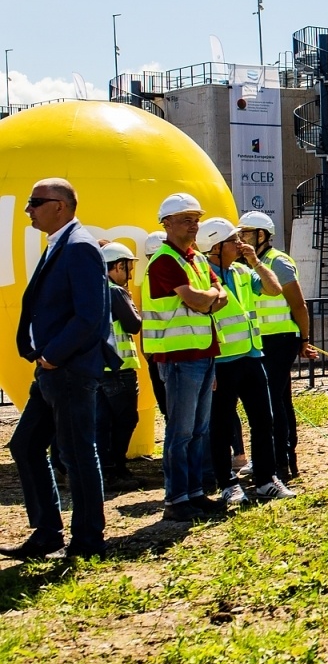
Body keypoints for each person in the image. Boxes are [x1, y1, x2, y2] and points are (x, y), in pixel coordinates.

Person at [2, 179, 118, 560]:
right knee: (26, 445)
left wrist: (52, 354)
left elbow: (90, 316)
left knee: (77, 452)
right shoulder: (61, 244)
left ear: (61, 207)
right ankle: (48, 533)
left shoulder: (80, 247)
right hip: (53, 370)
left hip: (68, 369)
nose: (28, 209)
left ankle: (87, 540)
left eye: (36, 202)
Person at [144, 192, 227, 521]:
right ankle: (177, 499)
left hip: (202, 353)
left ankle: (193, 493)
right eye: (186, 220)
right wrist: (209, 297)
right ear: (166, 224)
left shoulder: (197, 259)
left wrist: (207, 297)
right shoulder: (165, 260)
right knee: (181, 431)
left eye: (196, 219)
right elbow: (201, 299)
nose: (194, 225)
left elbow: (220, 296)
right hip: (178, 357)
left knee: (197, 429)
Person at [201, 217, 293, 506]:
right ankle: (227, 484)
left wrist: (256, 262)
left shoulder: (242, 271)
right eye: (233, 240)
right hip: (221, 361)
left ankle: (266, 480)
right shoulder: (202, 276)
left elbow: (274, 289)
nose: (240, 244)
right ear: (215, 247)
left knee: (263, 420)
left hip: (252, 357)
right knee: (221, 426)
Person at [237, 212, 311, 480]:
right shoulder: (246, 264)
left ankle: (280, 459)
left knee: (272, 402)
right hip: (260, 340)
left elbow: (298, 304)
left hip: (280, 339)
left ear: (261, 235)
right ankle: (280, 456)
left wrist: (304, 339)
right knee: (278, 400)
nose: (241, 239)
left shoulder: (278, 262)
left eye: (246, 233)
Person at [97, 242, 142, 494]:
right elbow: (134, 325)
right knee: (125, 420)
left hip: (98, 370)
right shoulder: (115, 291)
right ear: (117, 266)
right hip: (120, 369)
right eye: (127, 266)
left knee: (102, 423)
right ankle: (117, 471)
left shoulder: (93, 289)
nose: (129, 273)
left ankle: (105, 471)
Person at [140, 230, 169, 419]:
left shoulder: (147, 278)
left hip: (161, 353)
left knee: (170, 410)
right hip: (167, 353)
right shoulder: (151, 278)